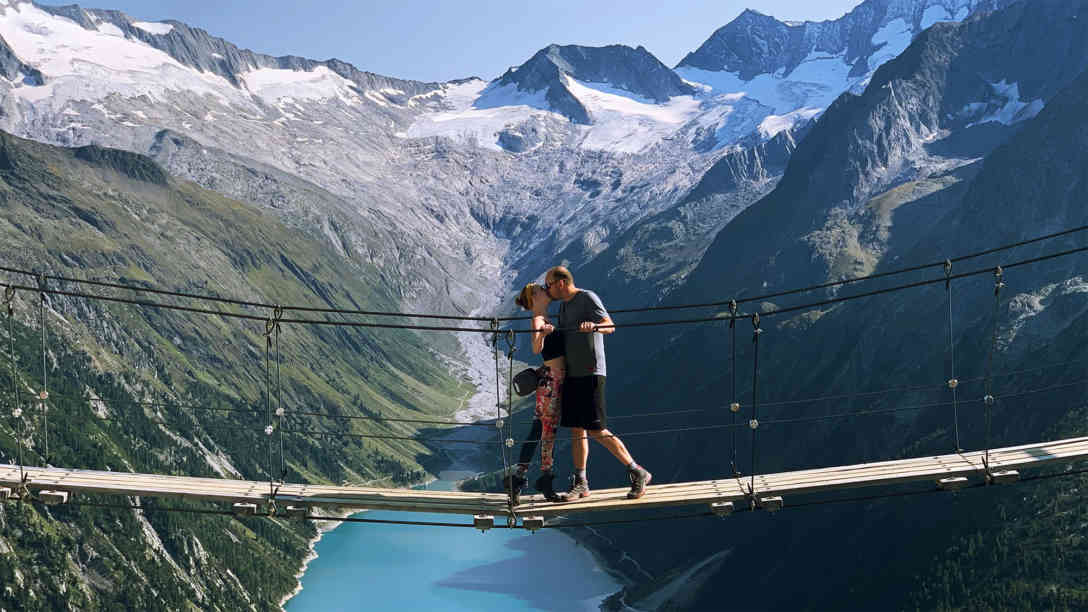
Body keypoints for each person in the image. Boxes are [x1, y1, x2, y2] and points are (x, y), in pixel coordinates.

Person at [544, 265, 651, 500]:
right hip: (573, 373)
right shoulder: (563, 307)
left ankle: (637, 471)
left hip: (591, 371)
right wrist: (551, 331)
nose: (547, 289)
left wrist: (594, 326)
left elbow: (609, 325)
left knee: (595, 428)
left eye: (549, 284)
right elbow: (565, 338)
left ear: (561, 282)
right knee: (577, 429)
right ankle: (581, 482)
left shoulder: (587, 298)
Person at [504, 282, 567, 504]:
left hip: (550, 379)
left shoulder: (545, 317)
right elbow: (535, 348)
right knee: (547, 432)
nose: (545, 290)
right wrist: (543, 334)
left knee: (538, 430)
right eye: (541, 289)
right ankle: (546, 481)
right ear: (534, 298)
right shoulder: (538, 320)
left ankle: (519, 478)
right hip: (552, 381)